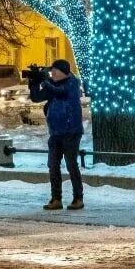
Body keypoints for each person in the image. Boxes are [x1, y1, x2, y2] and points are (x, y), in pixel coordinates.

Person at [28, 59, 84, 210]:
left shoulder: (72, 83)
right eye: (51, 71)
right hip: (55, 132)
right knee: (53, 165)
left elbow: (61, 92)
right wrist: (34, 82)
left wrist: (45, 81)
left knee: (71, 165)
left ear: (62, 72)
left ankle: (78, 198)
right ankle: (56, 199)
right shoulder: (53, 85)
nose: (52, 73)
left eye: (54, 71)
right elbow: (36, 97)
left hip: (71, 131)